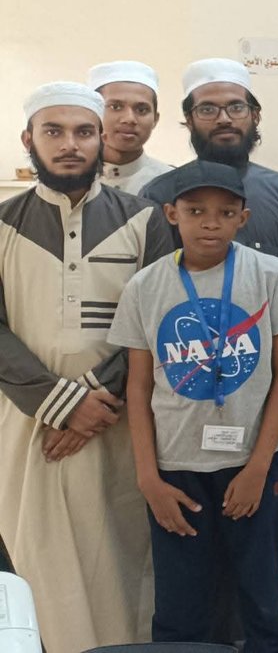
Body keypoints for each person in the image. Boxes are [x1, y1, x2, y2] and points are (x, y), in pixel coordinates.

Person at [109, 159, 278, 652]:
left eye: (225, 213)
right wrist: (148, 478)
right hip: (176, 470)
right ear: (171, 214)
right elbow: (138, 388)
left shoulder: (269, 274)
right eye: (195, 210)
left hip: (255, 461)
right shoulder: (145, 287)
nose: (210, 223)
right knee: (180, 606)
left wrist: (258, 468)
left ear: (243, 219)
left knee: (262, 599)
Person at [0, 82, 173, 652]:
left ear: (102, 140)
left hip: (119, 424)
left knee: (121, 559)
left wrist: (95, 400)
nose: (69, 144)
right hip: (29, 426)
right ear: (28, 139)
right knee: (37, 556)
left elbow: (160, 322)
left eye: (82, 132)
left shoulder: (145, 219)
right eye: (53, 131)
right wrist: (62, 404)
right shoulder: (2, 223)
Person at [141, 58, 278, 394]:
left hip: (272, 363)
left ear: (255, 115)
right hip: (182, 366)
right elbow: (149, 288)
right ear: (189, 119)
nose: (224, 118)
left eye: (236, 107)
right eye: (208, 109)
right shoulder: (159, 194)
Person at [90, 60, 174, 193]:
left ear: (155, 119)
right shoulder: (68, 179)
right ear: (92, 113)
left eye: (142, 110)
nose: (129, 119)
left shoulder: (171, 183)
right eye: (115, 107)